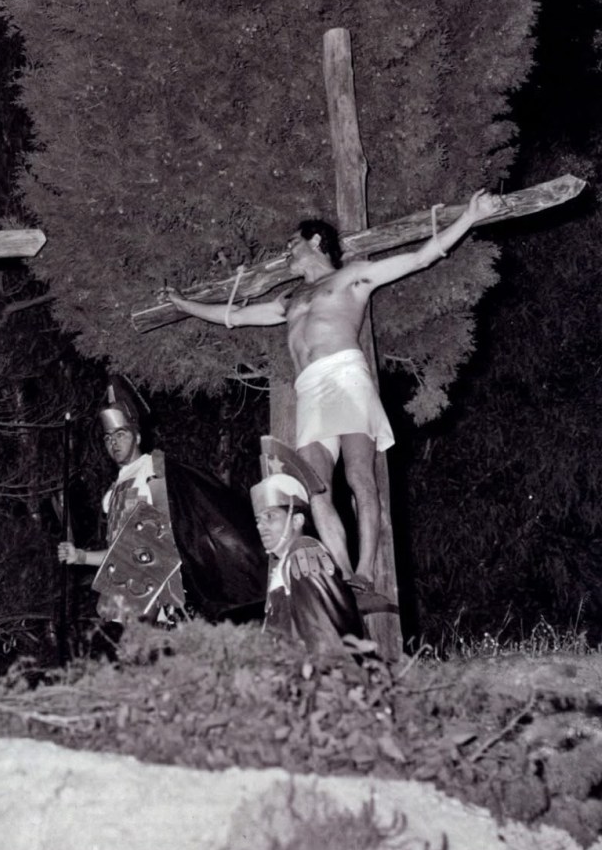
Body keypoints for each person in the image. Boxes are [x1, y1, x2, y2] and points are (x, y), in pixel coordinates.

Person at [164, 189, 501, 597]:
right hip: (310, 389)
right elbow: (233, 316)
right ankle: (343, 575)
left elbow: (419, 258)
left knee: (360, 477)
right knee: (314, 487)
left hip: (346, 376)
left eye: (292, 242)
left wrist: (470, 216)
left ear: (316, 241)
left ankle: (365, 571)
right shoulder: (289, 300)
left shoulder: (351, 276)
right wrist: (184, 304)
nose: (286, 251)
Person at [57, 377, 264, 624]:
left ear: (137, 437)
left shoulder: (155, 469)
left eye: (120, 434)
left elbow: (175, 531)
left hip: (159, 596)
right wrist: (80, 556)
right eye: (108, 437)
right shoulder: (112, 495)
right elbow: (120, 553)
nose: (114, 442)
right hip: (128, 592)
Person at [249, 437, 365, 654]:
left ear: (297, 520)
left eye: (270, 517)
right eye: (258, 520)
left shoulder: (304, 552)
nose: (260, 526)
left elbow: (324, 633)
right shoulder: (283, 564)